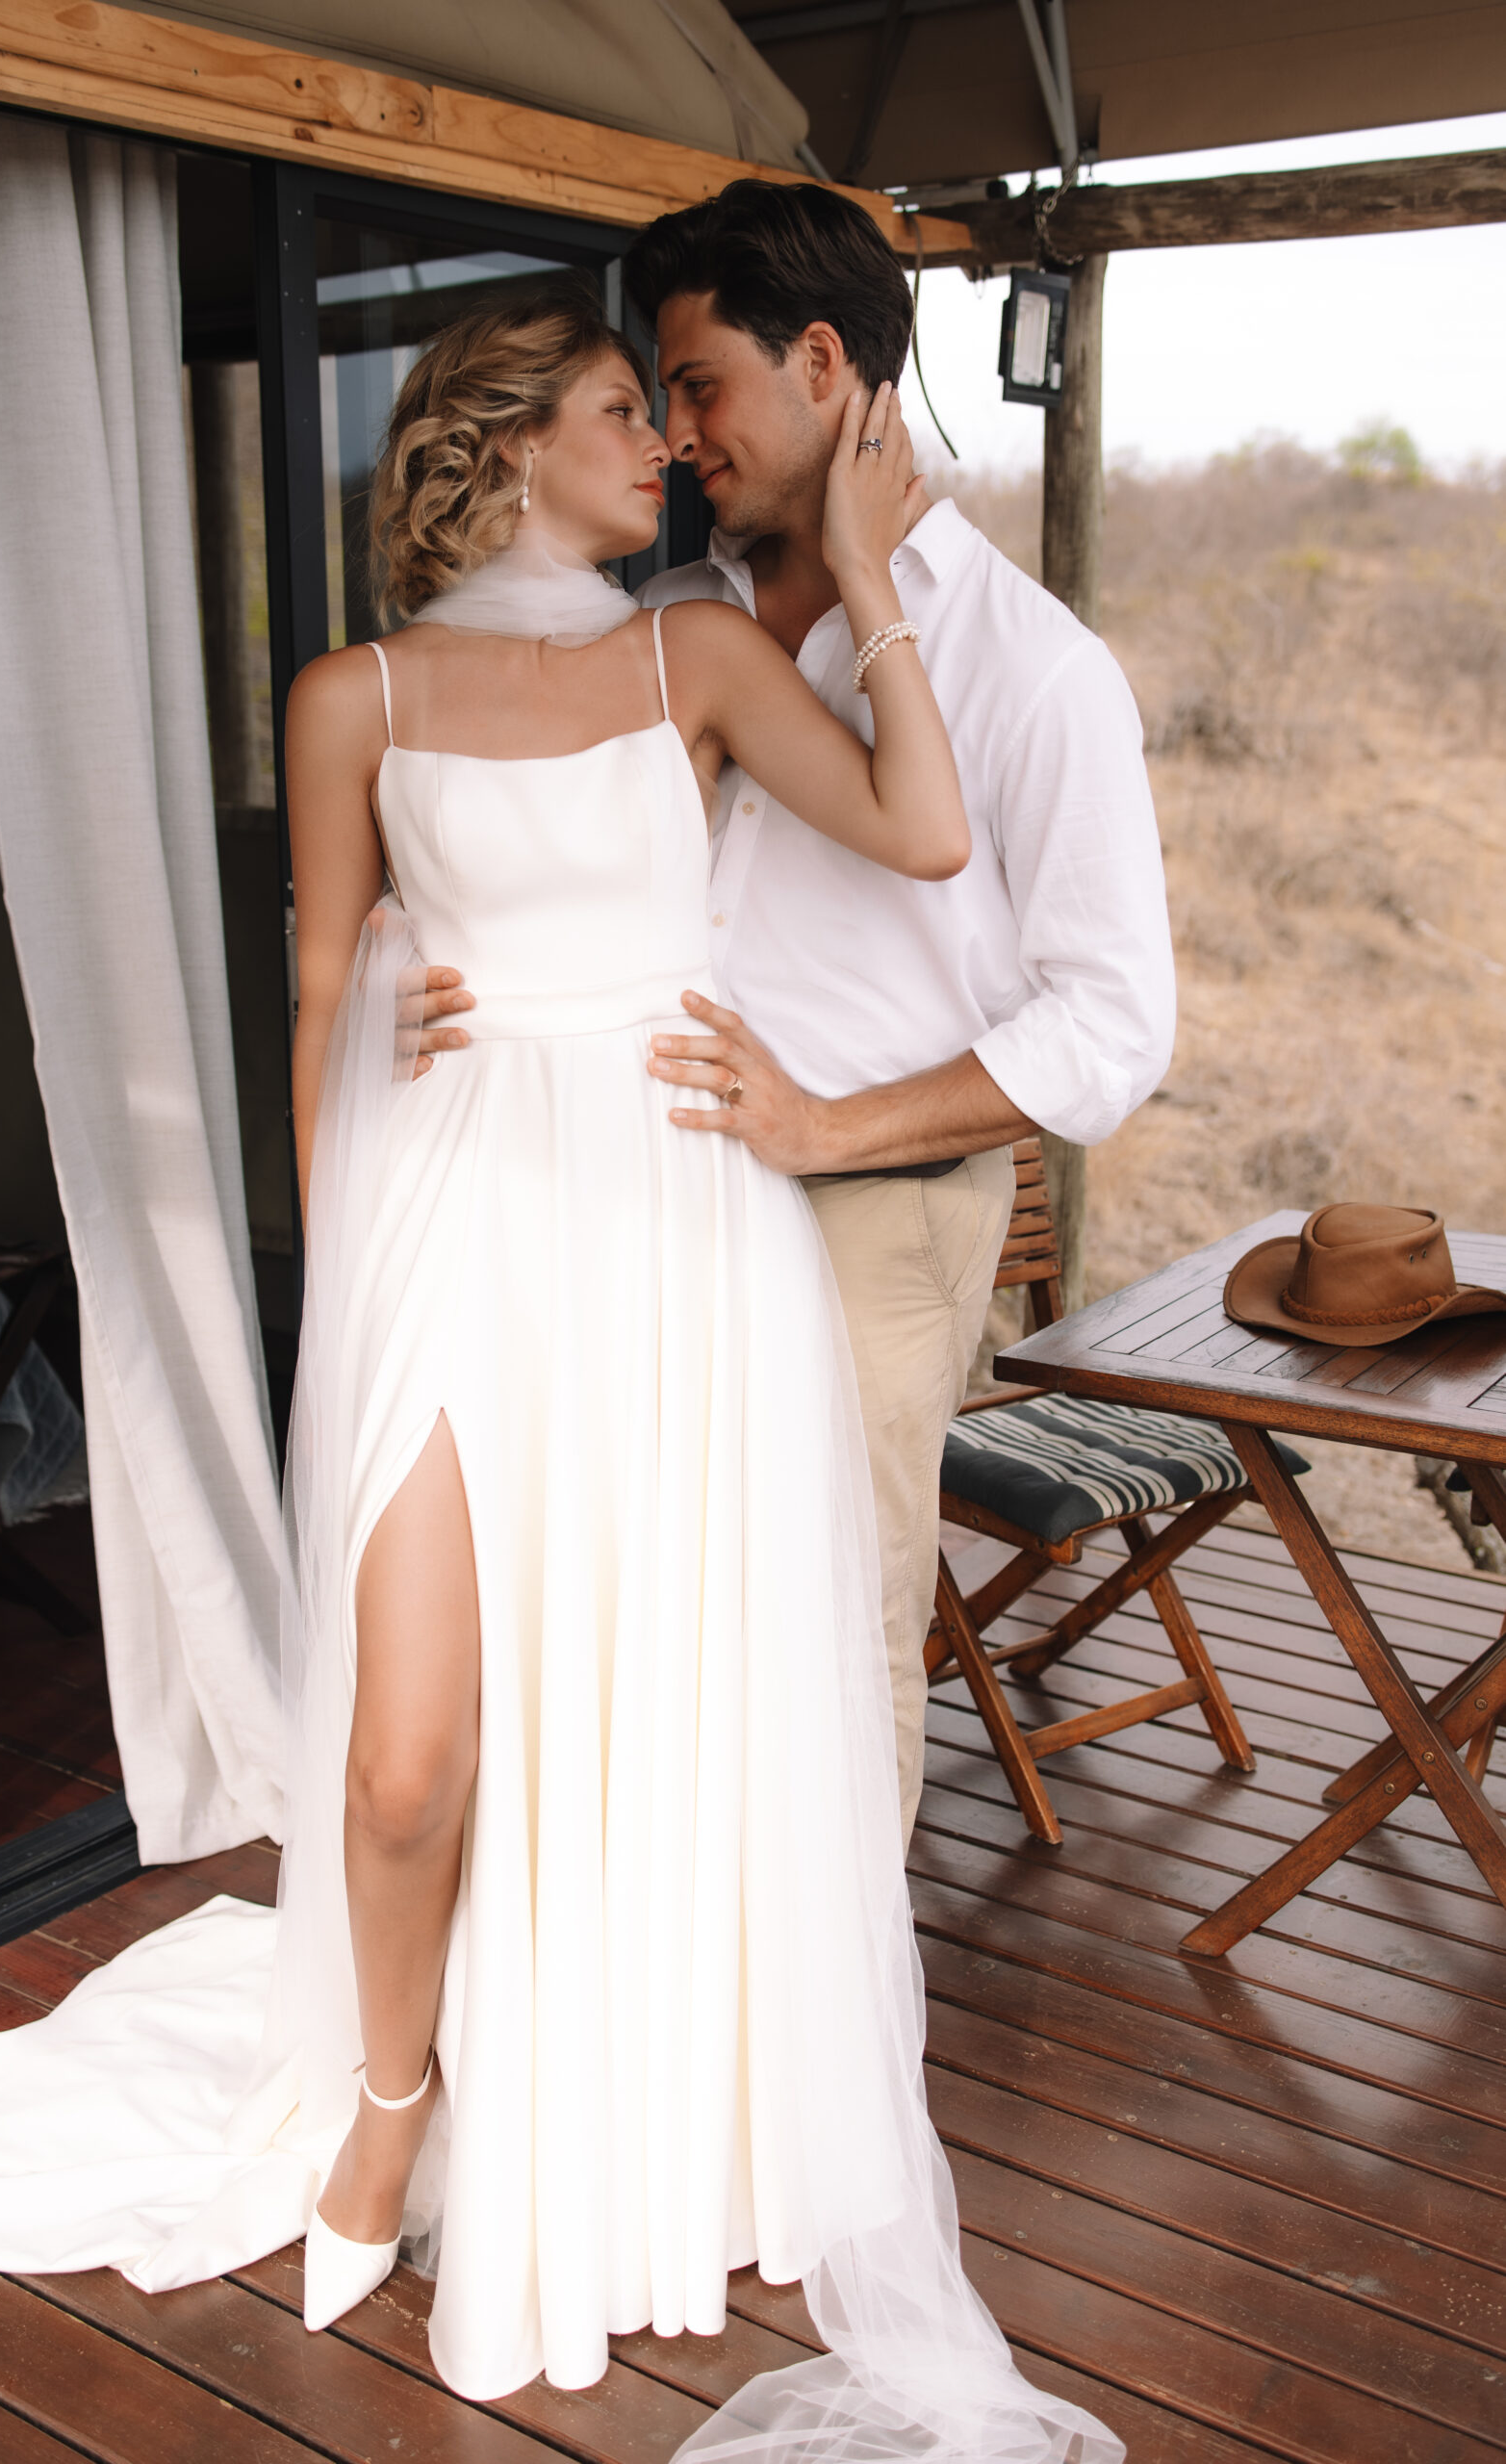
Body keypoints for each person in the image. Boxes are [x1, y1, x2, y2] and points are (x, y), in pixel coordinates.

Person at [0, 285, 1119, 2464]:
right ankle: (384, 2097)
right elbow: (312, 992)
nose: (658, 444)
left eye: (661, 411)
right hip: (451, 1222)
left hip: (673, 1226)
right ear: (492, 444)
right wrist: (351, 1217)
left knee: (652, 1698)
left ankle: (635, 2095)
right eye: (610, 409)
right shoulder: (350, 691)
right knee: (401, 1758)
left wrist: (869, 589)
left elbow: (928, 838)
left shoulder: (701, 658)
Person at [416, 186, 1176, 1850]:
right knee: (626, 1625)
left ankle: (807, 2092)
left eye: (696, 387)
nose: (678, 435)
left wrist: (828, 1127)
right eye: (656, 400)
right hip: (622, 1204)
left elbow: (1113, 1026)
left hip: (863, 1221)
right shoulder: (653, 618)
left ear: (823, 363)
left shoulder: (1033, 673)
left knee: (822, 1656)